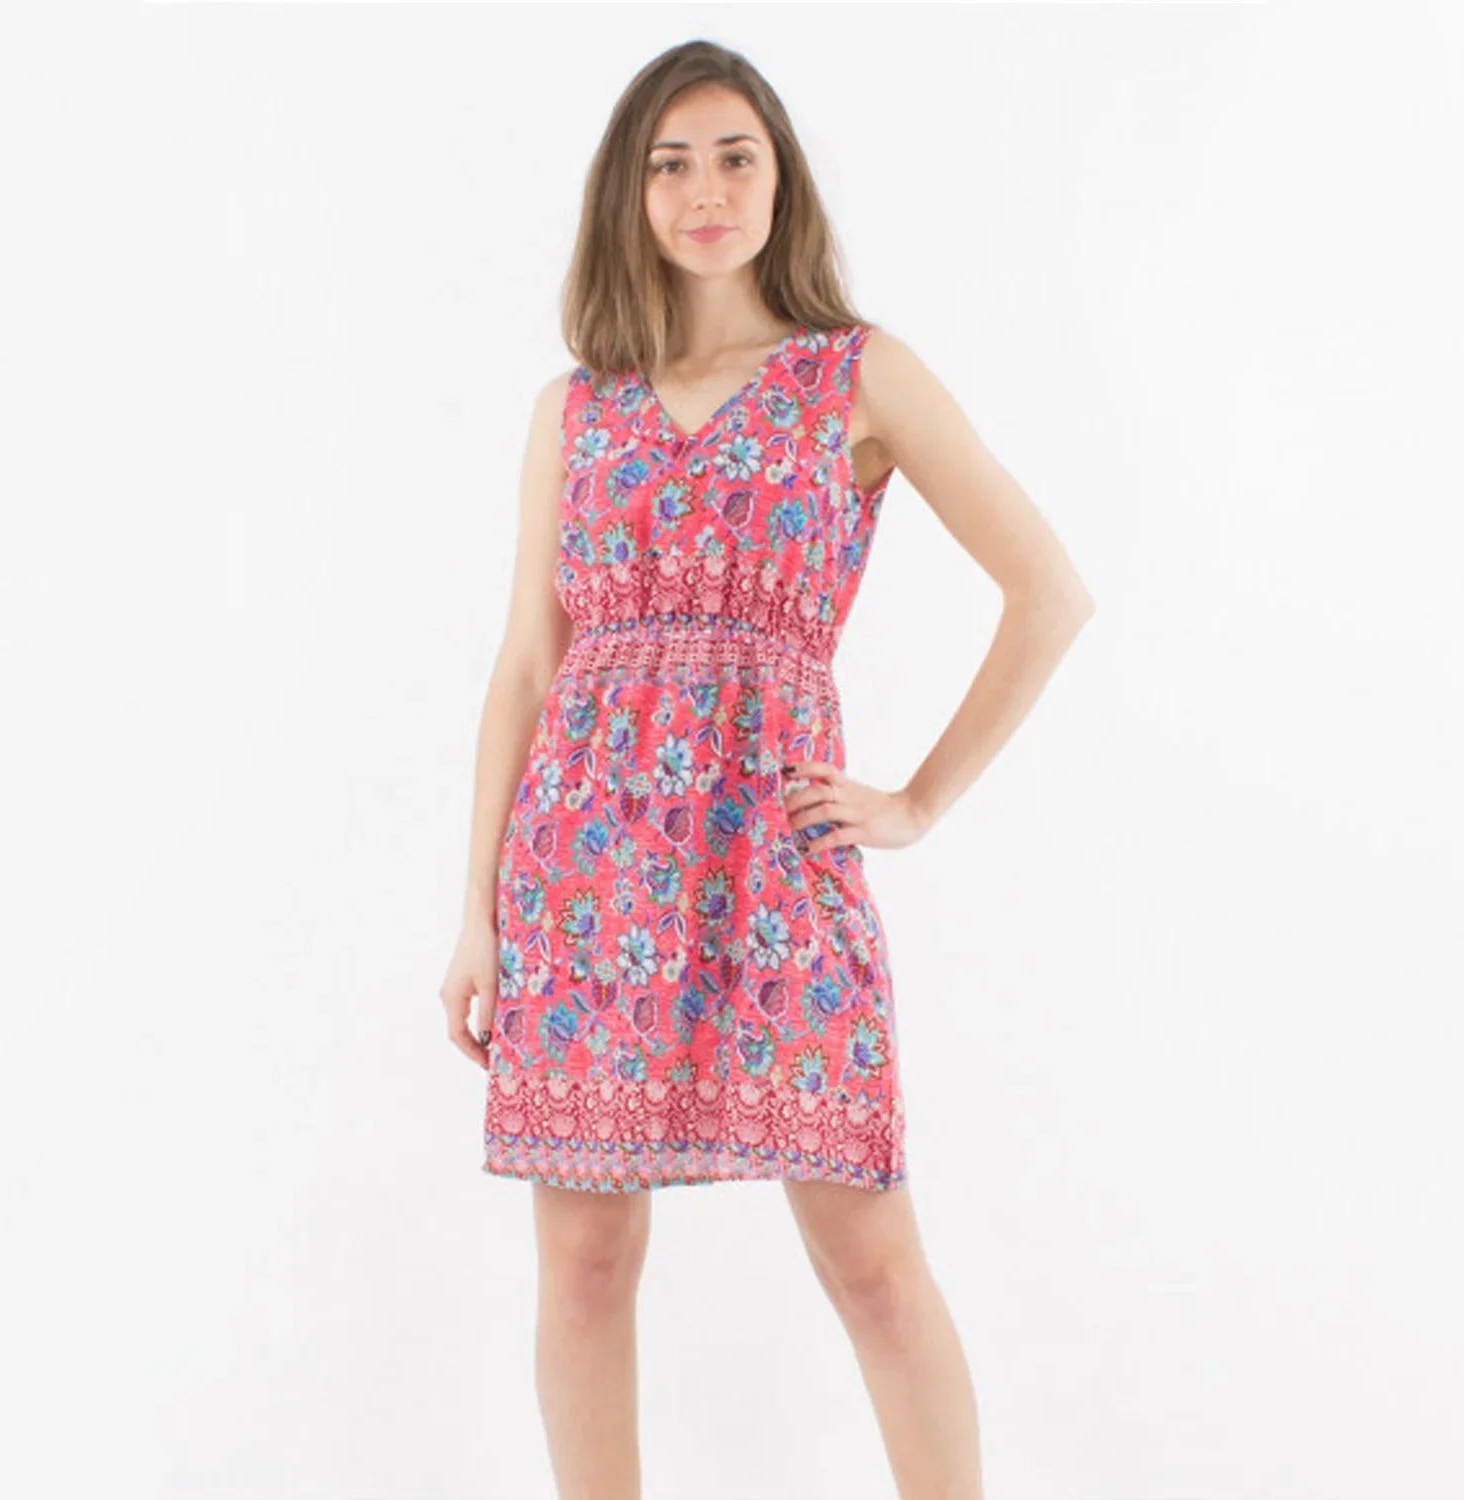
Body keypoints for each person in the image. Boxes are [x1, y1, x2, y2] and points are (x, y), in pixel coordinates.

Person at [439, 38, 1093, 1500]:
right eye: (669, 164)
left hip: (774, 864)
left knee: (871, 1263)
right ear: (629, 194)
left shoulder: (857, 376)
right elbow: (528, 666)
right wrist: (476, 910)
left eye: (736, 157)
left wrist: (916, 801)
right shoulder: (575, 409)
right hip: (584, 874)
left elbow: (1048, 591)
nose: (705, 191)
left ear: (780, 178)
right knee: (585, 1263)